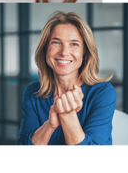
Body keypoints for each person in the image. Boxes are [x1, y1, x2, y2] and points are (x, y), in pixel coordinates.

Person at [17, 11, 116, 147]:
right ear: (45, 49)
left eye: (74, 44)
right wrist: (49, 126)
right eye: (56, 42)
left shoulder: (102, 92)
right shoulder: (33, 92)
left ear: (85, 52)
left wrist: (68, 116)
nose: (64, 52)